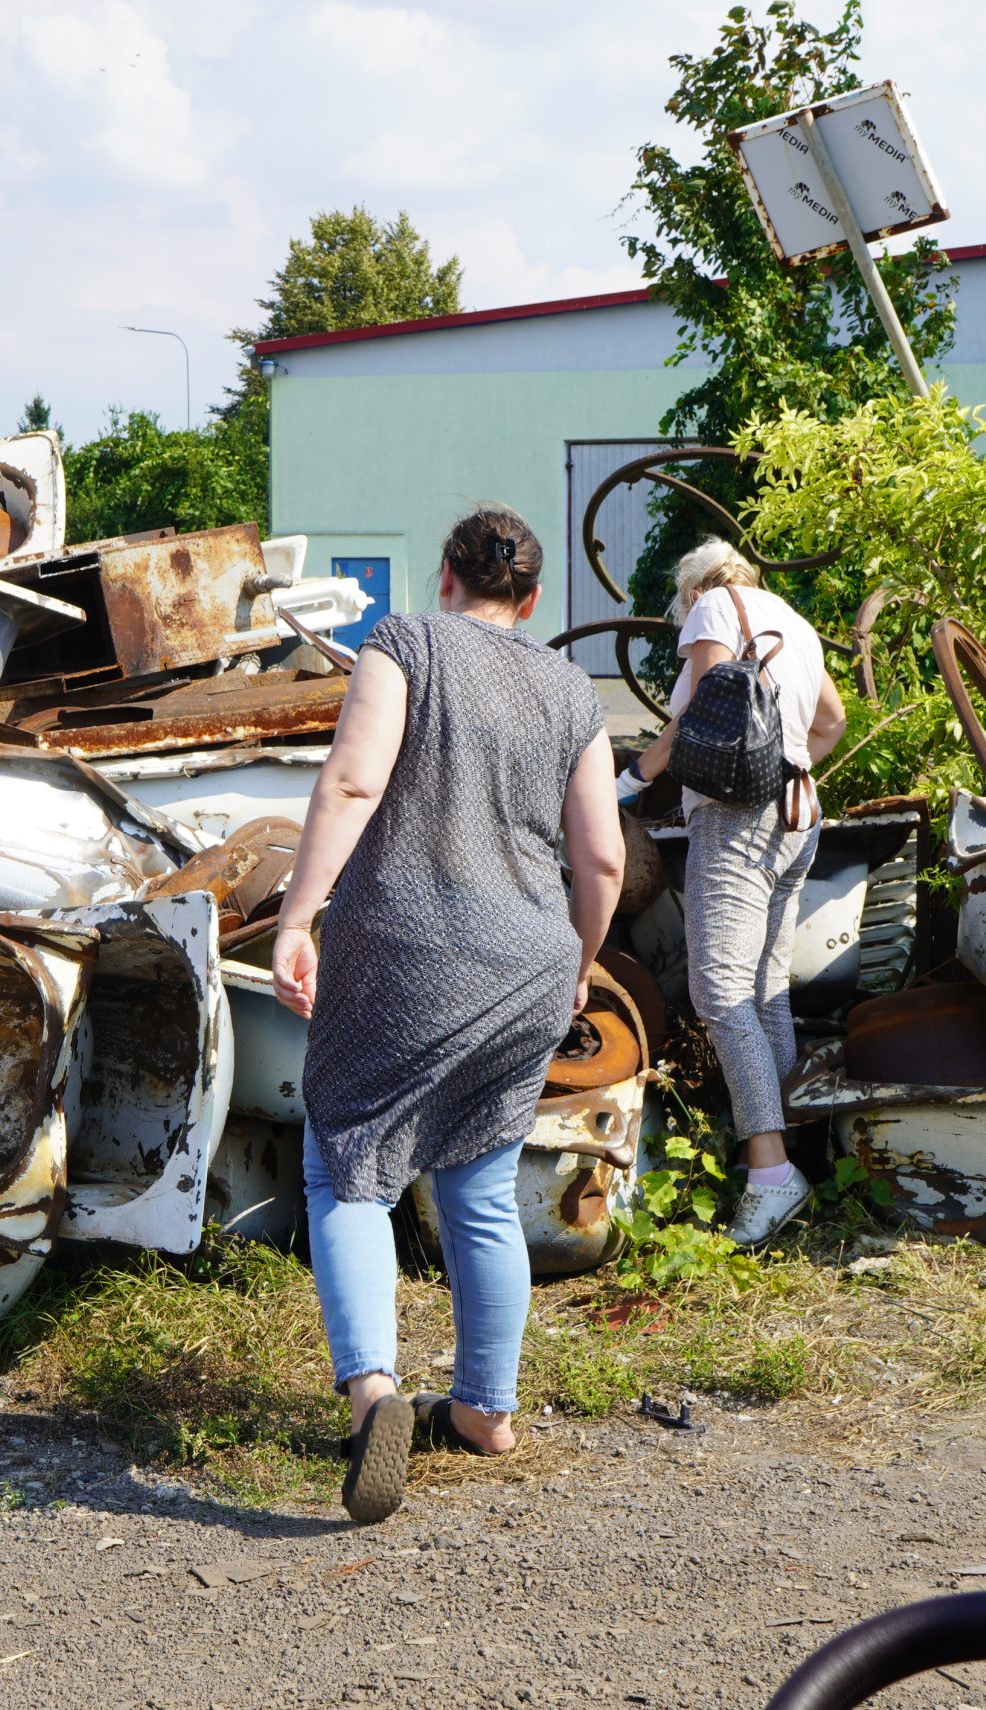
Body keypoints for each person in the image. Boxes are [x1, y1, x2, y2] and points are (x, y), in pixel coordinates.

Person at [271, 503, 626, 1525]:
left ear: (443, 577)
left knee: (346, 1159)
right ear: (531, 598)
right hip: (527, 960)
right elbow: (601, 856)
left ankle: (371, 1391)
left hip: (400, 947)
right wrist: (579, 960)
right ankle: (484, 1412)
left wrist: (299, 917)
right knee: (476, 1185)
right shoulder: (568, 688)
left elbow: (351, 780)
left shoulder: (406, 640)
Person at [616, 539, 846, 1246]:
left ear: (692, 592)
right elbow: (832, 722)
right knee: (765, 986)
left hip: (737, 817)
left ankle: (770, 1175)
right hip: (797, 817)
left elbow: (704, 711)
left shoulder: (714, 605)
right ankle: (794, 1159)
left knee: (719, 993)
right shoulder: (795, 623)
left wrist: (631, 781)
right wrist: (787, 762)